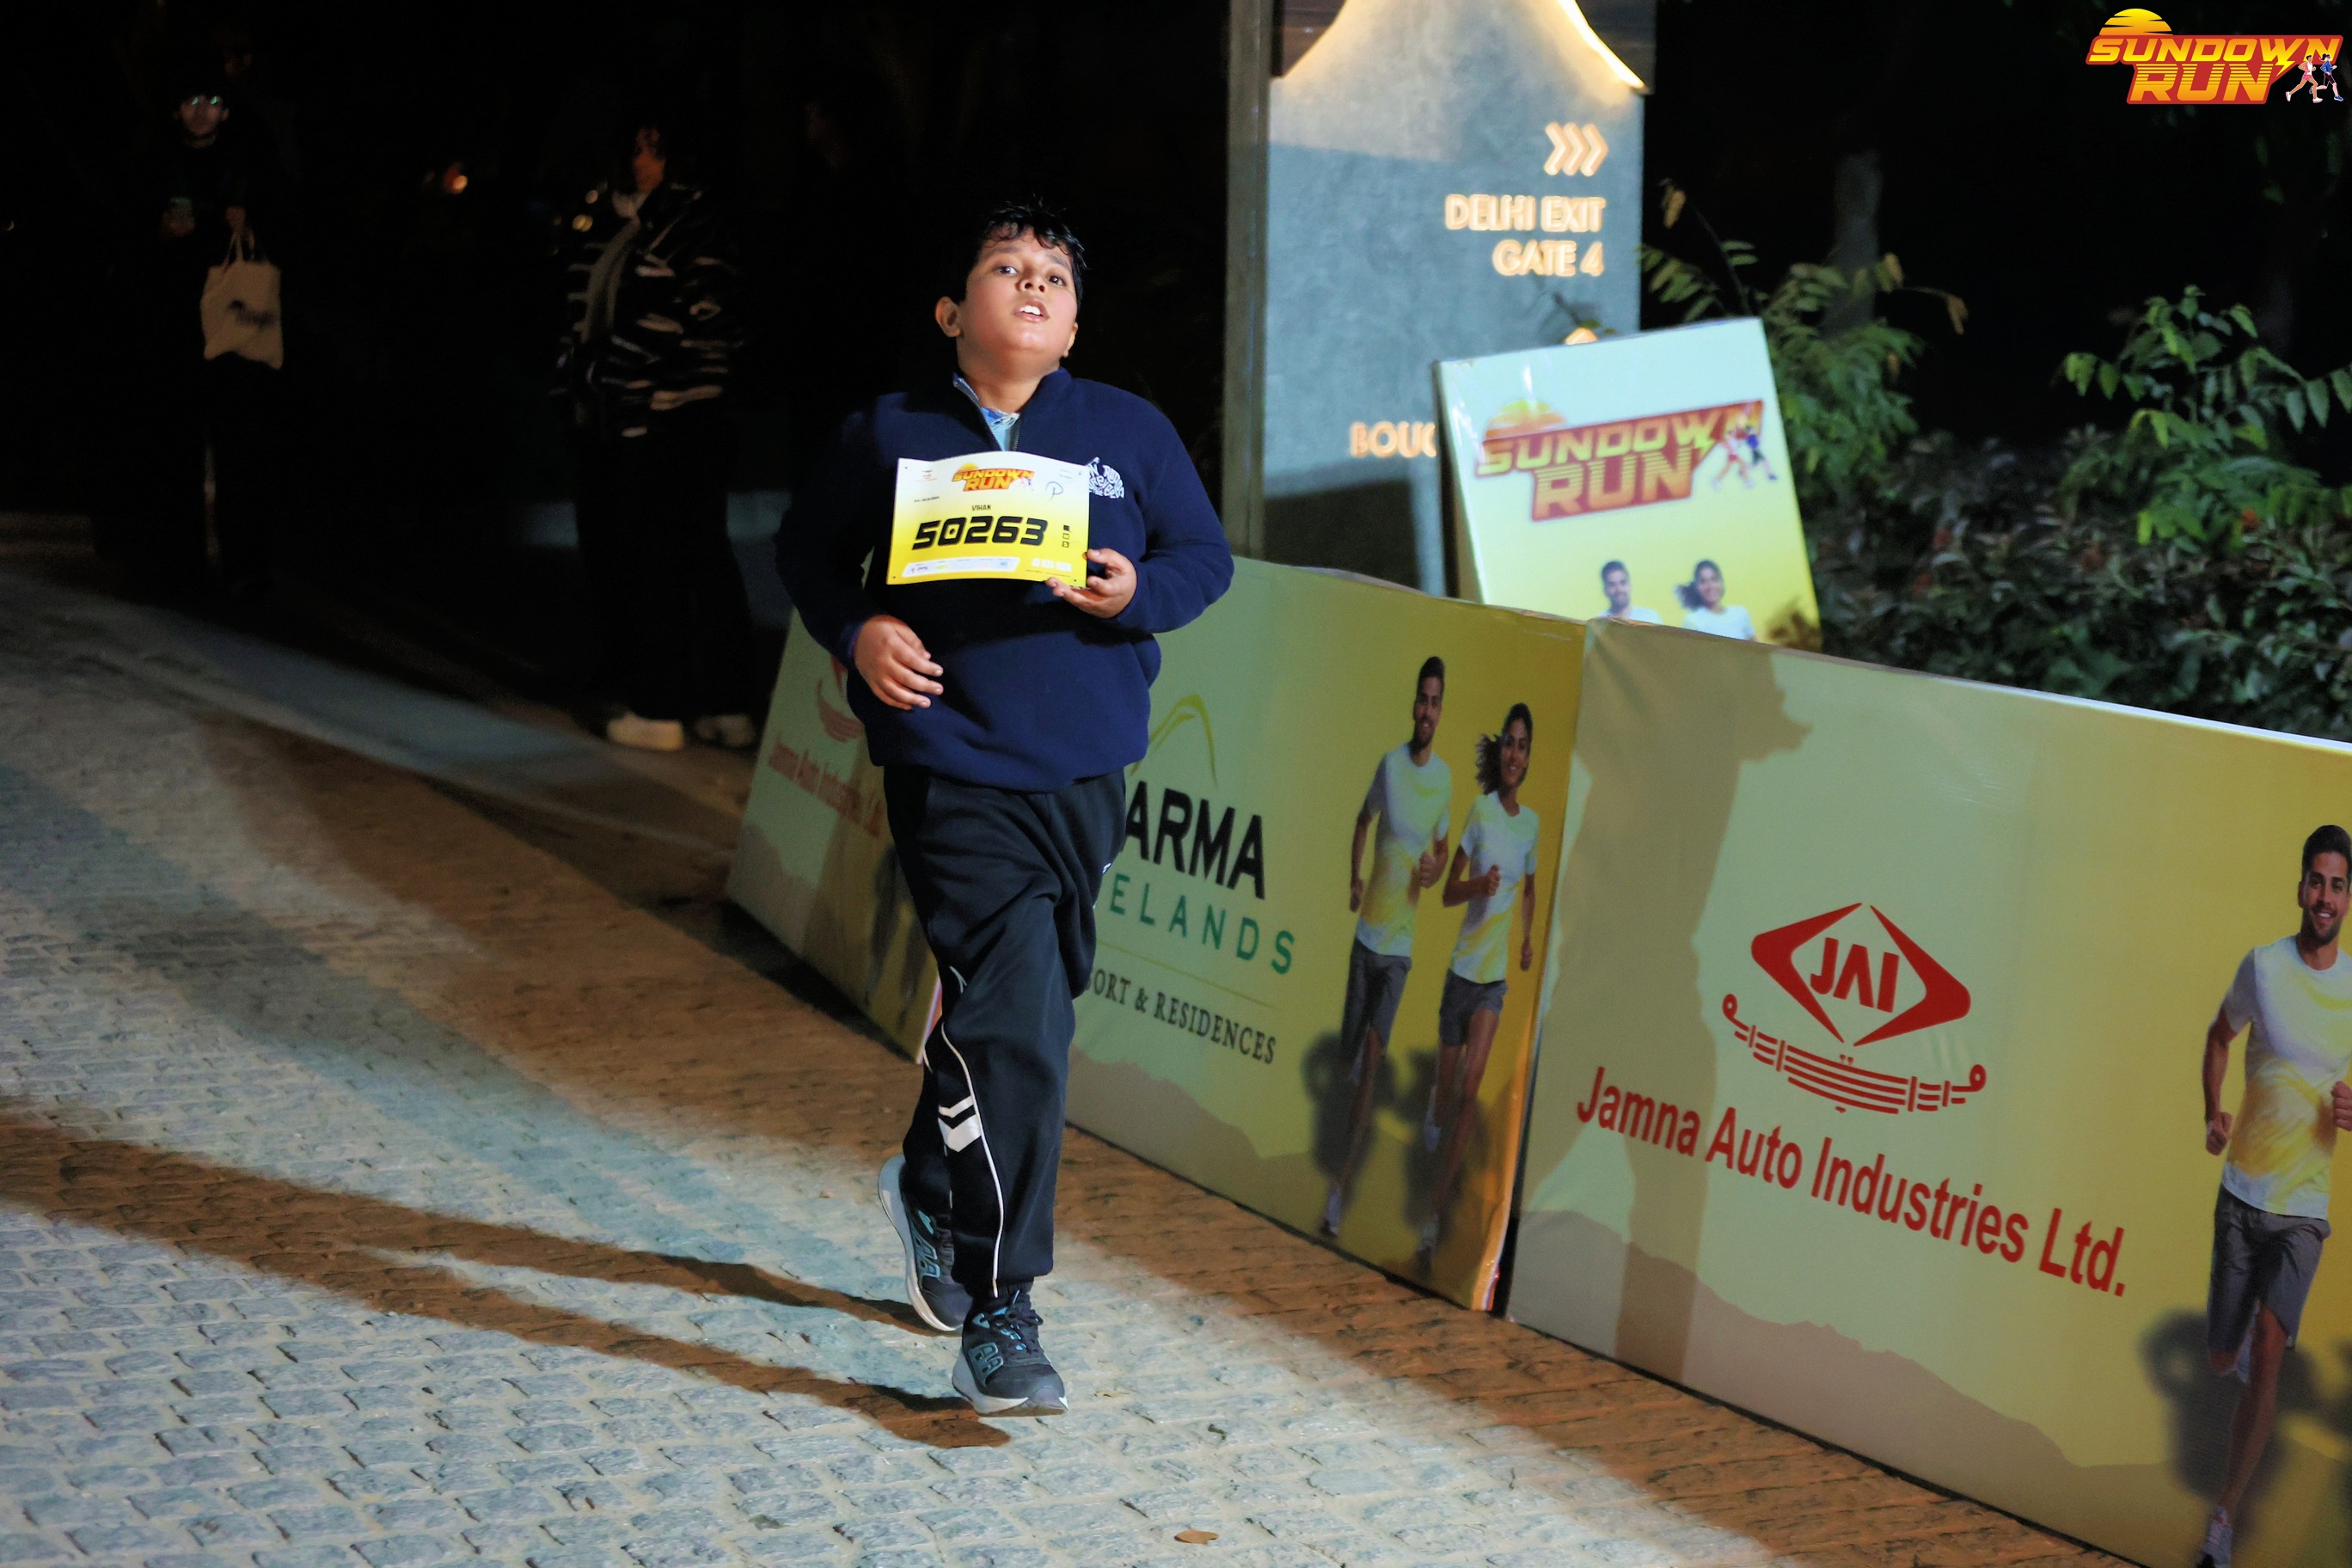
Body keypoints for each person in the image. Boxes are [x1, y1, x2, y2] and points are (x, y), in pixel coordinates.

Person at [774, 201, 1232, 1415]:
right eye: (1005, 268)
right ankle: (1001, 1308)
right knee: (1020, 1021)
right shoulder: (888, 434)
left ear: (1074, 326)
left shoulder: (1127, 431)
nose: (1033, 285)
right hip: (951, 765)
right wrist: (860, 629)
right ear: (949, 311)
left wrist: (1136, 591)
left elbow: (1205, 559)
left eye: (1054, 278)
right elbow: (807, 555)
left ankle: (929, 1186)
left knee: (1020, 1014)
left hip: (1085, 772)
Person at [560, 119, 759, 752]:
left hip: (669, 415)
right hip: (666, 414)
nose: (643, 159)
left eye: (654, 148)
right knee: (692, 558)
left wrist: (598, 374)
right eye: (639, 147)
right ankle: (721, 704)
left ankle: (663, 706)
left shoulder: (682, 221)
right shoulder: (633, 217)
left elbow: (669, 316)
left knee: (664, 563)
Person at [2195, 825, 2352, 1568]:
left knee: (2268, 1345)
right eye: (2316, 881)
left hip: (2304, 1207)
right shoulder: (2263, 966)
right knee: (2222, 1356)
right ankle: (2234, 1355)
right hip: (2243, 1190)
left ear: (2349, 899)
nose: (2325, 896)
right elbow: (2218, 1036)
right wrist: (2212, 1111)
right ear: (2300, 888)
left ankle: (2223, 1519)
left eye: (2338, 885)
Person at [125, 70, 284, 599]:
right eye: (191, 100)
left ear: (226, 111)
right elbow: (128, 237)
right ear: (176, 110)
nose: (200, 110)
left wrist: (249, 226)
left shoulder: (248, 165)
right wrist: (161, 233)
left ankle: (245, 565)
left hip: (234, 326)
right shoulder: (154, 164)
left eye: (211, 101)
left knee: (241, 445)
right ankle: (179, 565)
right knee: (176, 446)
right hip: (174, 326)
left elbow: (285, 227)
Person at [1322, 658, 1453, 1238]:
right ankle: (1340, 1128)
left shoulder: (1444, 781)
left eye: (1435, 702)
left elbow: (1442, 850)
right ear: (1414, 705)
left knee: (1374, 1060)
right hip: (1367, 938)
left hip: (1400, 946)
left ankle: (1339, 1190)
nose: (1427, 710)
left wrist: (1435, 868)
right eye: (1422, 699)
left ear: (1441, 712)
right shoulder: (1391, 766)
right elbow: (1361, 820)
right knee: (1348, 1059)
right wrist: (1354, 878)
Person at [1420, 703, 1539, 1264]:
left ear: (1528, 758)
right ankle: (1433, 1108)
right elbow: (1449, 892)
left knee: (1471, 1090)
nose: (1514, 753)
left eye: (1522, 745)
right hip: (1460, 974)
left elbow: (1530, 888)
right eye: (1509, 742)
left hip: (1492, 981)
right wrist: (1480, 887)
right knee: (1447, 1095)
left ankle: (1433, 1215)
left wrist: (1527, 938)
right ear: (1501, 752)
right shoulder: (1480, 811)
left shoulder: (1530, 825)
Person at [1676, 560, 1755, 639]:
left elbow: (1754, 644)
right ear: (1696, 587)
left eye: (1714, 579)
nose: (1710, 586)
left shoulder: (1740, 613)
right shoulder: (1692, 621)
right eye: (1703, 581)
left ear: (1721, 582)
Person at [1598, 560, 1661, 624]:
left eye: (1623, 582)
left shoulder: (1650, 618)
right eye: (1612, 585)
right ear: (1605, 590)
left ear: (1630, 585)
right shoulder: (1599, 624)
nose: (1619, 589)